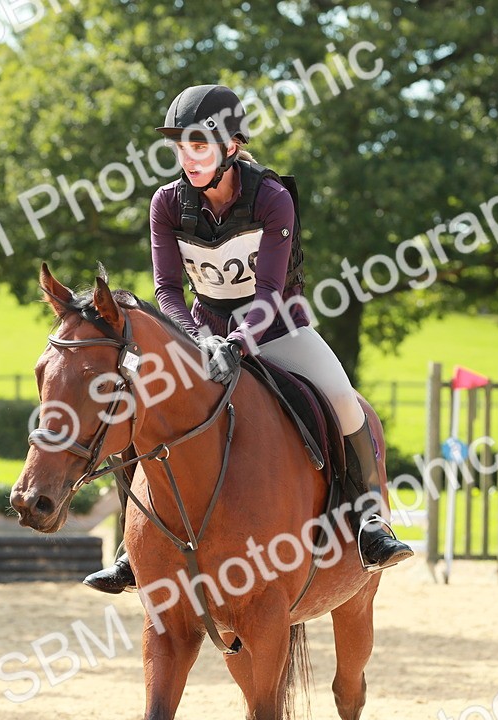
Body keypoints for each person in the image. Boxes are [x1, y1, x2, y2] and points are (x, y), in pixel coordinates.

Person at [84, 84, 413, 593]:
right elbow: (167, 289)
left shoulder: (272, 198)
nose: (188, 158)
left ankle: (370, 522)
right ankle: (133, 546)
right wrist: (196, 339)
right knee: (137, 405)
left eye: (199, 145)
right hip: (202, 329)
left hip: (277, 327)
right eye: (180, 147)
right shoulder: (167, 203)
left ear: (231, 146)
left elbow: (269, 292)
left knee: (343, 401)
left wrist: (236, 343)